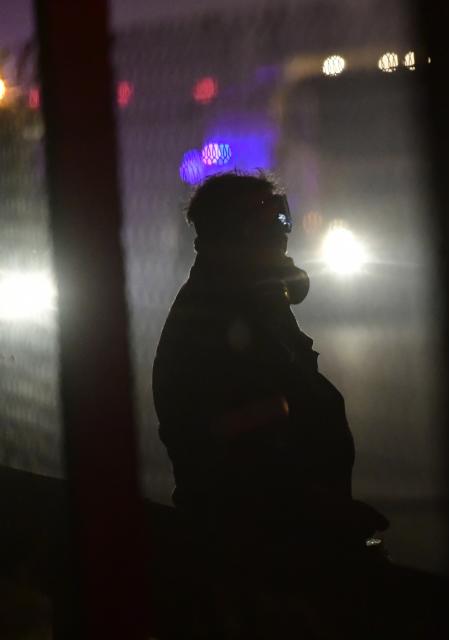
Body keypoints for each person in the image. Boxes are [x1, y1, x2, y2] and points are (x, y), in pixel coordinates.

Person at [153, 172, 391, 635]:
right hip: (258, 547)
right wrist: (318, 508)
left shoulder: (251, 303)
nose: (285, 230)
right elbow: (234, 441)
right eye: (272, 218)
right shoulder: (218, 317)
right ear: (235, 233)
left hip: (279, 533)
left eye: (285, 216)